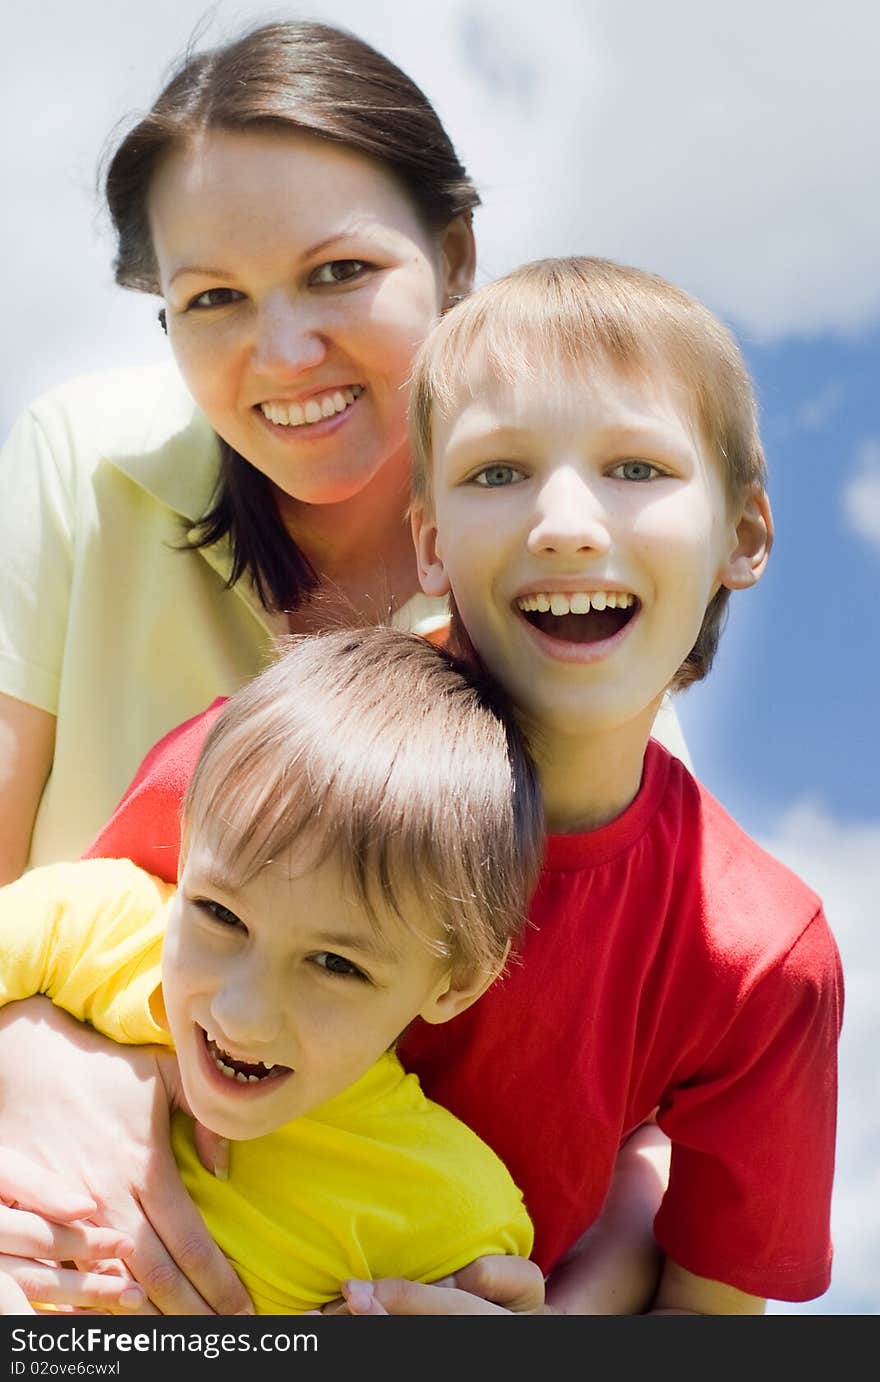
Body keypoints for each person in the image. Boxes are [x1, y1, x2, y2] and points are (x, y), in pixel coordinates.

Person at [0, 18, 680, 1316]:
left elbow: (641, 1099)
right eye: (211, 299)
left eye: (338, 271)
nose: (285, 354)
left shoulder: (569, 598)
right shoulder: (74, 469)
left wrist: (536, 1318)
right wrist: (33, 1056)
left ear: (457, 259)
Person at [82, 257, 842, 1316]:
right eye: (497, 472)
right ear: (429, 540)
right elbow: (51, 958)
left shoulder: (757, 958)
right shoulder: (256, 766)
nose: (566, 522)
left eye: (635, 467)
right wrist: (41, 1076)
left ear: (744, 534)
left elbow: (710, 1308)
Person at [0, 625, 545, 1316]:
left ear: (457, 980)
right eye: (221, 915)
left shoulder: (452, 1213)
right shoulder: (97, 931)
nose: (241, 1014)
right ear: (189, 839)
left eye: (334, 964)